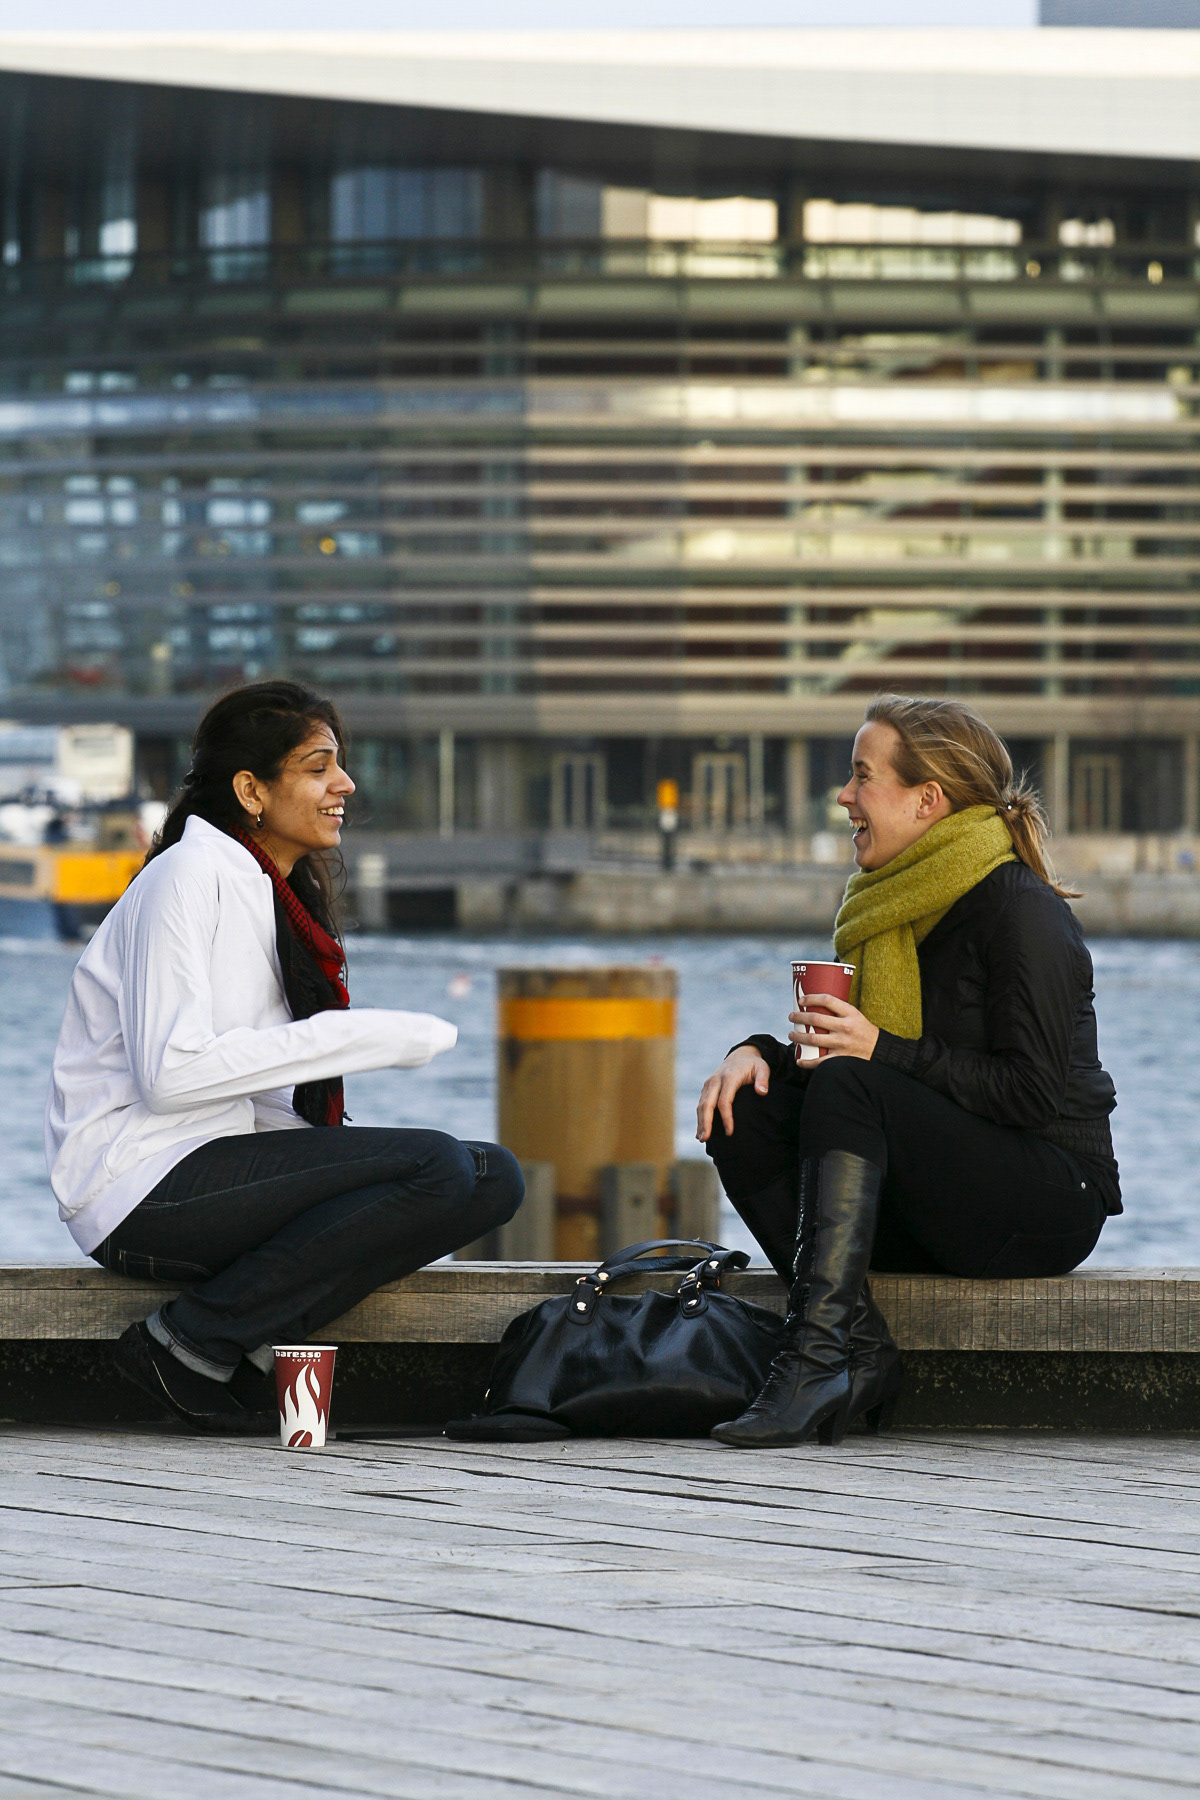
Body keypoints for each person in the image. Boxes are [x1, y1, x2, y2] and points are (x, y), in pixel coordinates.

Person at [45, 680, 524, 1433]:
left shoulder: (270, 893)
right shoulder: (188, 876)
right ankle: (187, 1345)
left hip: (208, 1161)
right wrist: (363, 1038)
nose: (346, 784)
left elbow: (260, 1100)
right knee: (436, 1163)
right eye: (318, 766)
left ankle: (257, 1348)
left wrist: (336, 1171)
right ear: (251, 790)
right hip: (134, 1185)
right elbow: (171, 1076)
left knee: (490, 1177)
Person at [696, 695, 1120, 1450]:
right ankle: (859, 1350)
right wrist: (754, 1051)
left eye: (863, 776)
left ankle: (813, 1359)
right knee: (746, 1107)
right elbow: (851, 1077)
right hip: (936, 1194)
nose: (844, 796)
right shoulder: (893, 906)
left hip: (1049, 1197)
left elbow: (1032, 1096)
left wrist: (881, 1049)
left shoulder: (1021, 913)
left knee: (853, 1081)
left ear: (928, 800)